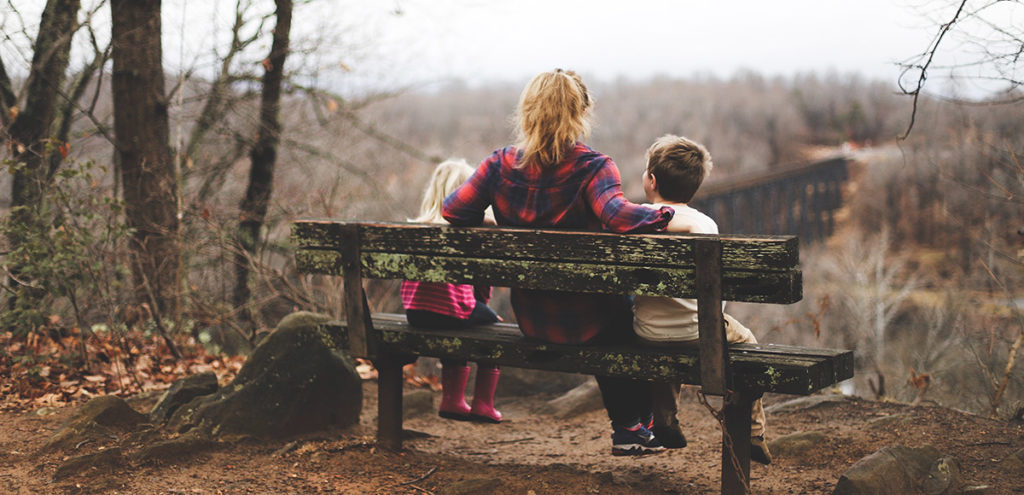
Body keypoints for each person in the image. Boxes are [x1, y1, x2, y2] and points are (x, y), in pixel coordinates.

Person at [442, 69, 675, 456]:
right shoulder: (593, 167)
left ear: (527, 112)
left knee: (614, 312)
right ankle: (634, 425)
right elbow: (617, 216)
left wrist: (488, 220)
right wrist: (665, 214)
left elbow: (453, 210)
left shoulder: (498, 165)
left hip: (533, 319)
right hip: (591, 322)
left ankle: (635, 427)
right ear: (582, 112)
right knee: (628, 314)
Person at [632, 134, 772, 464]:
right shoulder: (705, 224)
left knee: (665, 340)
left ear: (651, 181)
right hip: (699, 331)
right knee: (747, 342)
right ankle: (753, 431)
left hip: (646, 331)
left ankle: (664, 420)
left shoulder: (634, 219)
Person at [402, 159, 504, 423]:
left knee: (458, 321)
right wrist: (483, 306)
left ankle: (453, 400)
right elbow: (481, 284)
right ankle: (482, 404)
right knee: (494, 326)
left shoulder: (416, 228)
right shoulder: (466, 231)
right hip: (452, 311)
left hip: (415, 313)